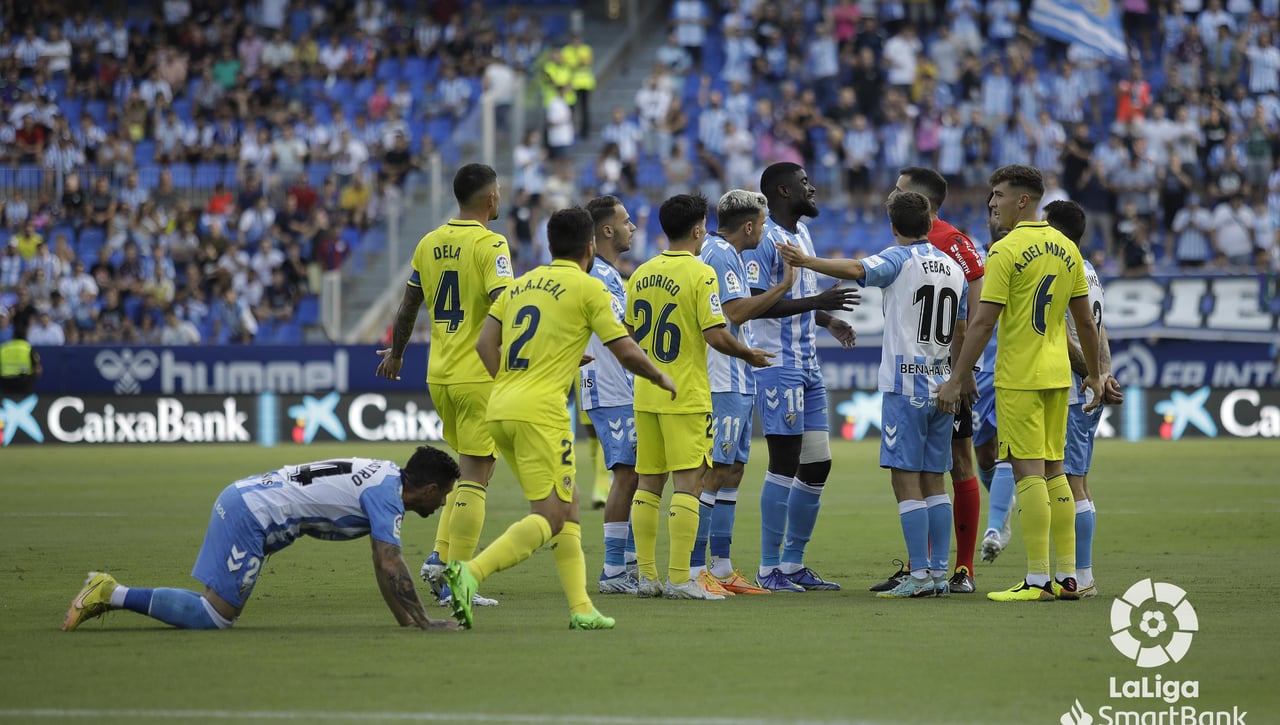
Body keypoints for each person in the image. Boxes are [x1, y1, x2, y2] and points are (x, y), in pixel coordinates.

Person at [440, 206, 676, 629]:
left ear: (549, 246)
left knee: (566, 508)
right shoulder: (588, 288)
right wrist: (660, 375)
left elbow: (484, 345)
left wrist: (515, 382)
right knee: (551, 515)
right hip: (541, 414)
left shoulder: (521, 284)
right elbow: (624, 348)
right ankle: (468, 572)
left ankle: (581, 608)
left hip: (501, 406)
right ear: (590, 246)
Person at [780, 190, 968, 598]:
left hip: (905, 387)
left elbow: (855, 268)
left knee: (905, 480)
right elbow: (961, 330)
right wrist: (956, 378)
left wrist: (806, 261)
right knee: (935, 479)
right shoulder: (955, 268)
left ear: (894, 227)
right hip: (941, 384)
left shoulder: (898, 260)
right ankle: (938, 573)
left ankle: (918, 576)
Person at [63, 447, 463, 632]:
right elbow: (390, 562)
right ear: (428, 489)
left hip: (247, 498)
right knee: (214, 616)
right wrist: (426, 622)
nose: (444, 503)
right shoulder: (386, 498)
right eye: (444, 494)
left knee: (217, 613)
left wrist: (405, 619)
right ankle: (109, 592)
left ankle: (110, 592)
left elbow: (382, 562)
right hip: (252, 515)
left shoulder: (385, 477)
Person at [937, 164, 1104, 603]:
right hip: (1057, 377)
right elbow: (1084, 321)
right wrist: (1095, 373)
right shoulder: (1067, 247)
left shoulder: (1005, 250)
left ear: (1023, 200)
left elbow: (983, 321)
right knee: (1057, 473)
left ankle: (1036, 580)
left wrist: (958, 377)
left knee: (1027, 473)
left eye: (998, 195)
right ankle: (1069, 577)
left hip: (1019, 377)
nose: (992, 203)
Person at [376, 163, 513, 608]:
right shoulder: (492, 244)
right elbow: (504, 304)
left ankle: (439, 560)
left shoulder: (429, 242)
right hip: (478, 376)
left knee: (468, 473)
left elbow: (408, 304)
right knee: (477, 476)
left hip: (440, 375)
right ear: (491, 198)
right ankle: (457, 580)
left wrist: (397, 353)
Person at [626, 193, 773, 600]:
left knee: (648, 485)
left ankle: (646, 577)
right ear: (697, 229)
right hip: (687, 393)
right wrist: (747, 353)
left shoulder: (640, 272)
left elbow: (631, 333)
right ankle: (680, 578)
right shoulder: (700, 272)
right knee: (689, 485)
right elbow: (715, 333)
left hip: (646, 393)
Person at [741, 163, 859, 592]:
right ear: (783, 189)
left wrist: (825, 317)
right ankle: (768, 568)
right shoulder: (763, 238)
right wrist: (820, 299)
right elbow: (754, 304)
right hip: (779, 366)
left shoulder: (801, 236)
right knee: (785, 464)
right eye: (805, 183)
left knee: (818, 464)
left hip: (808, 365)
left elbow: (797, 295)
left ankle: (792, 565)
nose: (813, 189)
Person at [870, 167, 986, 594]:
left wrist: (964, 370)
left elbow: (975, 312)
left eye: (898, 190)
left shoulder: (953, 245)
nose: (891, 195)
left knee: (952, 463)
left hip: (944, 375)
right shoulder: (922, 248)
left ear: (919, 200)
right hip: (938, 374)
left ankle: (957, 568)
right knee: (933, 470)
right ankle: (931, 568)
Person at [692, 189, 794, 596]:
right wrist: (784, 285)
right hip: (720, 376)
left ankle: (721, 565)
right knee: (713, 471)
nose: (765, 231)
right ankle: (696, 566)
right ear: (748, 226)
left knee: (732, 469)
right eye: (763, 224)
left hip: (735, 376)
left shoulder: (722, 253)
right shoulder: (720, 254)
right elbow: (734, 313)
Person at [1043, 200, 1123, 599]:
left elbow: (1071, 334)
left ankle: (1083, 575)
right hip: (1087, 388)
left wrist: (1092, 377)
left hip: (1074, 393)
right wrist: (1103, 373)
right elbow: (1099, 330)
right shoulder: (1089, 269)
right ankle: (1076, 572)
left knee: (1071, 481)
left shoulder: (1063, 267)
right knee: (1077, 480)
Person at [579, 195, 642, 594]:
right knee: (626, 473)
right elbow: (617, 334)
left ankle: (629, 564)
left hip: (614, 385)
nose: (632, 226)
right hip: (609, 386)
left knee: (632, 474)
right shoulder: (599, 277)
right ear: (606, 230)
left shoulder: (608, 273)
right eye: (626, 220)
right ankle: (614, 571)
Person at [0, 316, 41, 398]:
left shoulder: (3, 348)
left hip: (5, 384)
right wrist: (33, 380)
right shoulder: (28, 348)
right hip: (24, 384)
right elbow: (37, 369)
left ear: (13, 337)